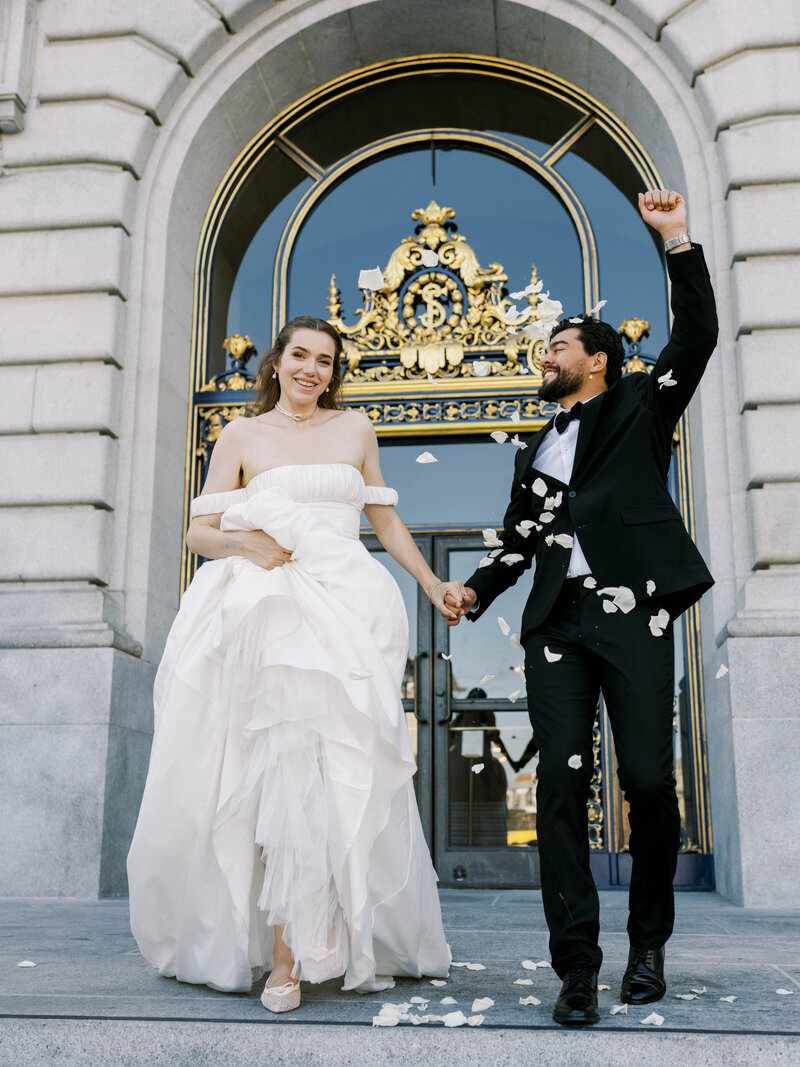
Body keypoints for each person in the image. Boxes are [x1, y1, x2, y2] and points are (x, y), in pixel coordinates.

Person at [127, 316, 460, 1012]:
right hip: (270, 608)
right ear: (276, 362)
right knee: (281, 770)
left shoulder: (356, 430)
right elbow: (198, 529)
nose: (312, 369)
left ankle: (335, 935)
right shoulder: (242, 436)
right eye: (301, 355)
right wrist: (250, 547)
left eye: (326, 360)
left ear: (336, 371)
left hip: (344, 609)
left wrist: (431, 585)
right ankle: (285, 956)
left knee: (337, 773)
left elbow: (385, 519)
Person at [446, 191, 718, 1025]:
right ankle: (576, 966)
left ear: (595, 359)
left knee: (646, 781)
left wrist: (674, 241)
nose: (546, 353)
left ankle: (646, 949)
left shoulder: (641, 406)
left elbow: (697, 336)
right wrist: (475, 590)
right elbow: (518, 540)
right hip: (556, 626)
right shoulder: (536, 447)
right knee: (560, 793)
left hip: (636, 614)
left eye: (557, 344)